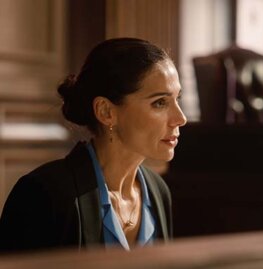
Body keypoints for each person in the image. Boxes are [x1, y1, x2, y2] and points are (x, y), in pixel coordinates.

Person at [0, 38, 187, 252]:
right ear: (106, 112)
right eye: (160, 102)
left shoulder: (158, 191)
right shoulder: (43, 195)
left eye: (177, 99)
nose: (181, 118)